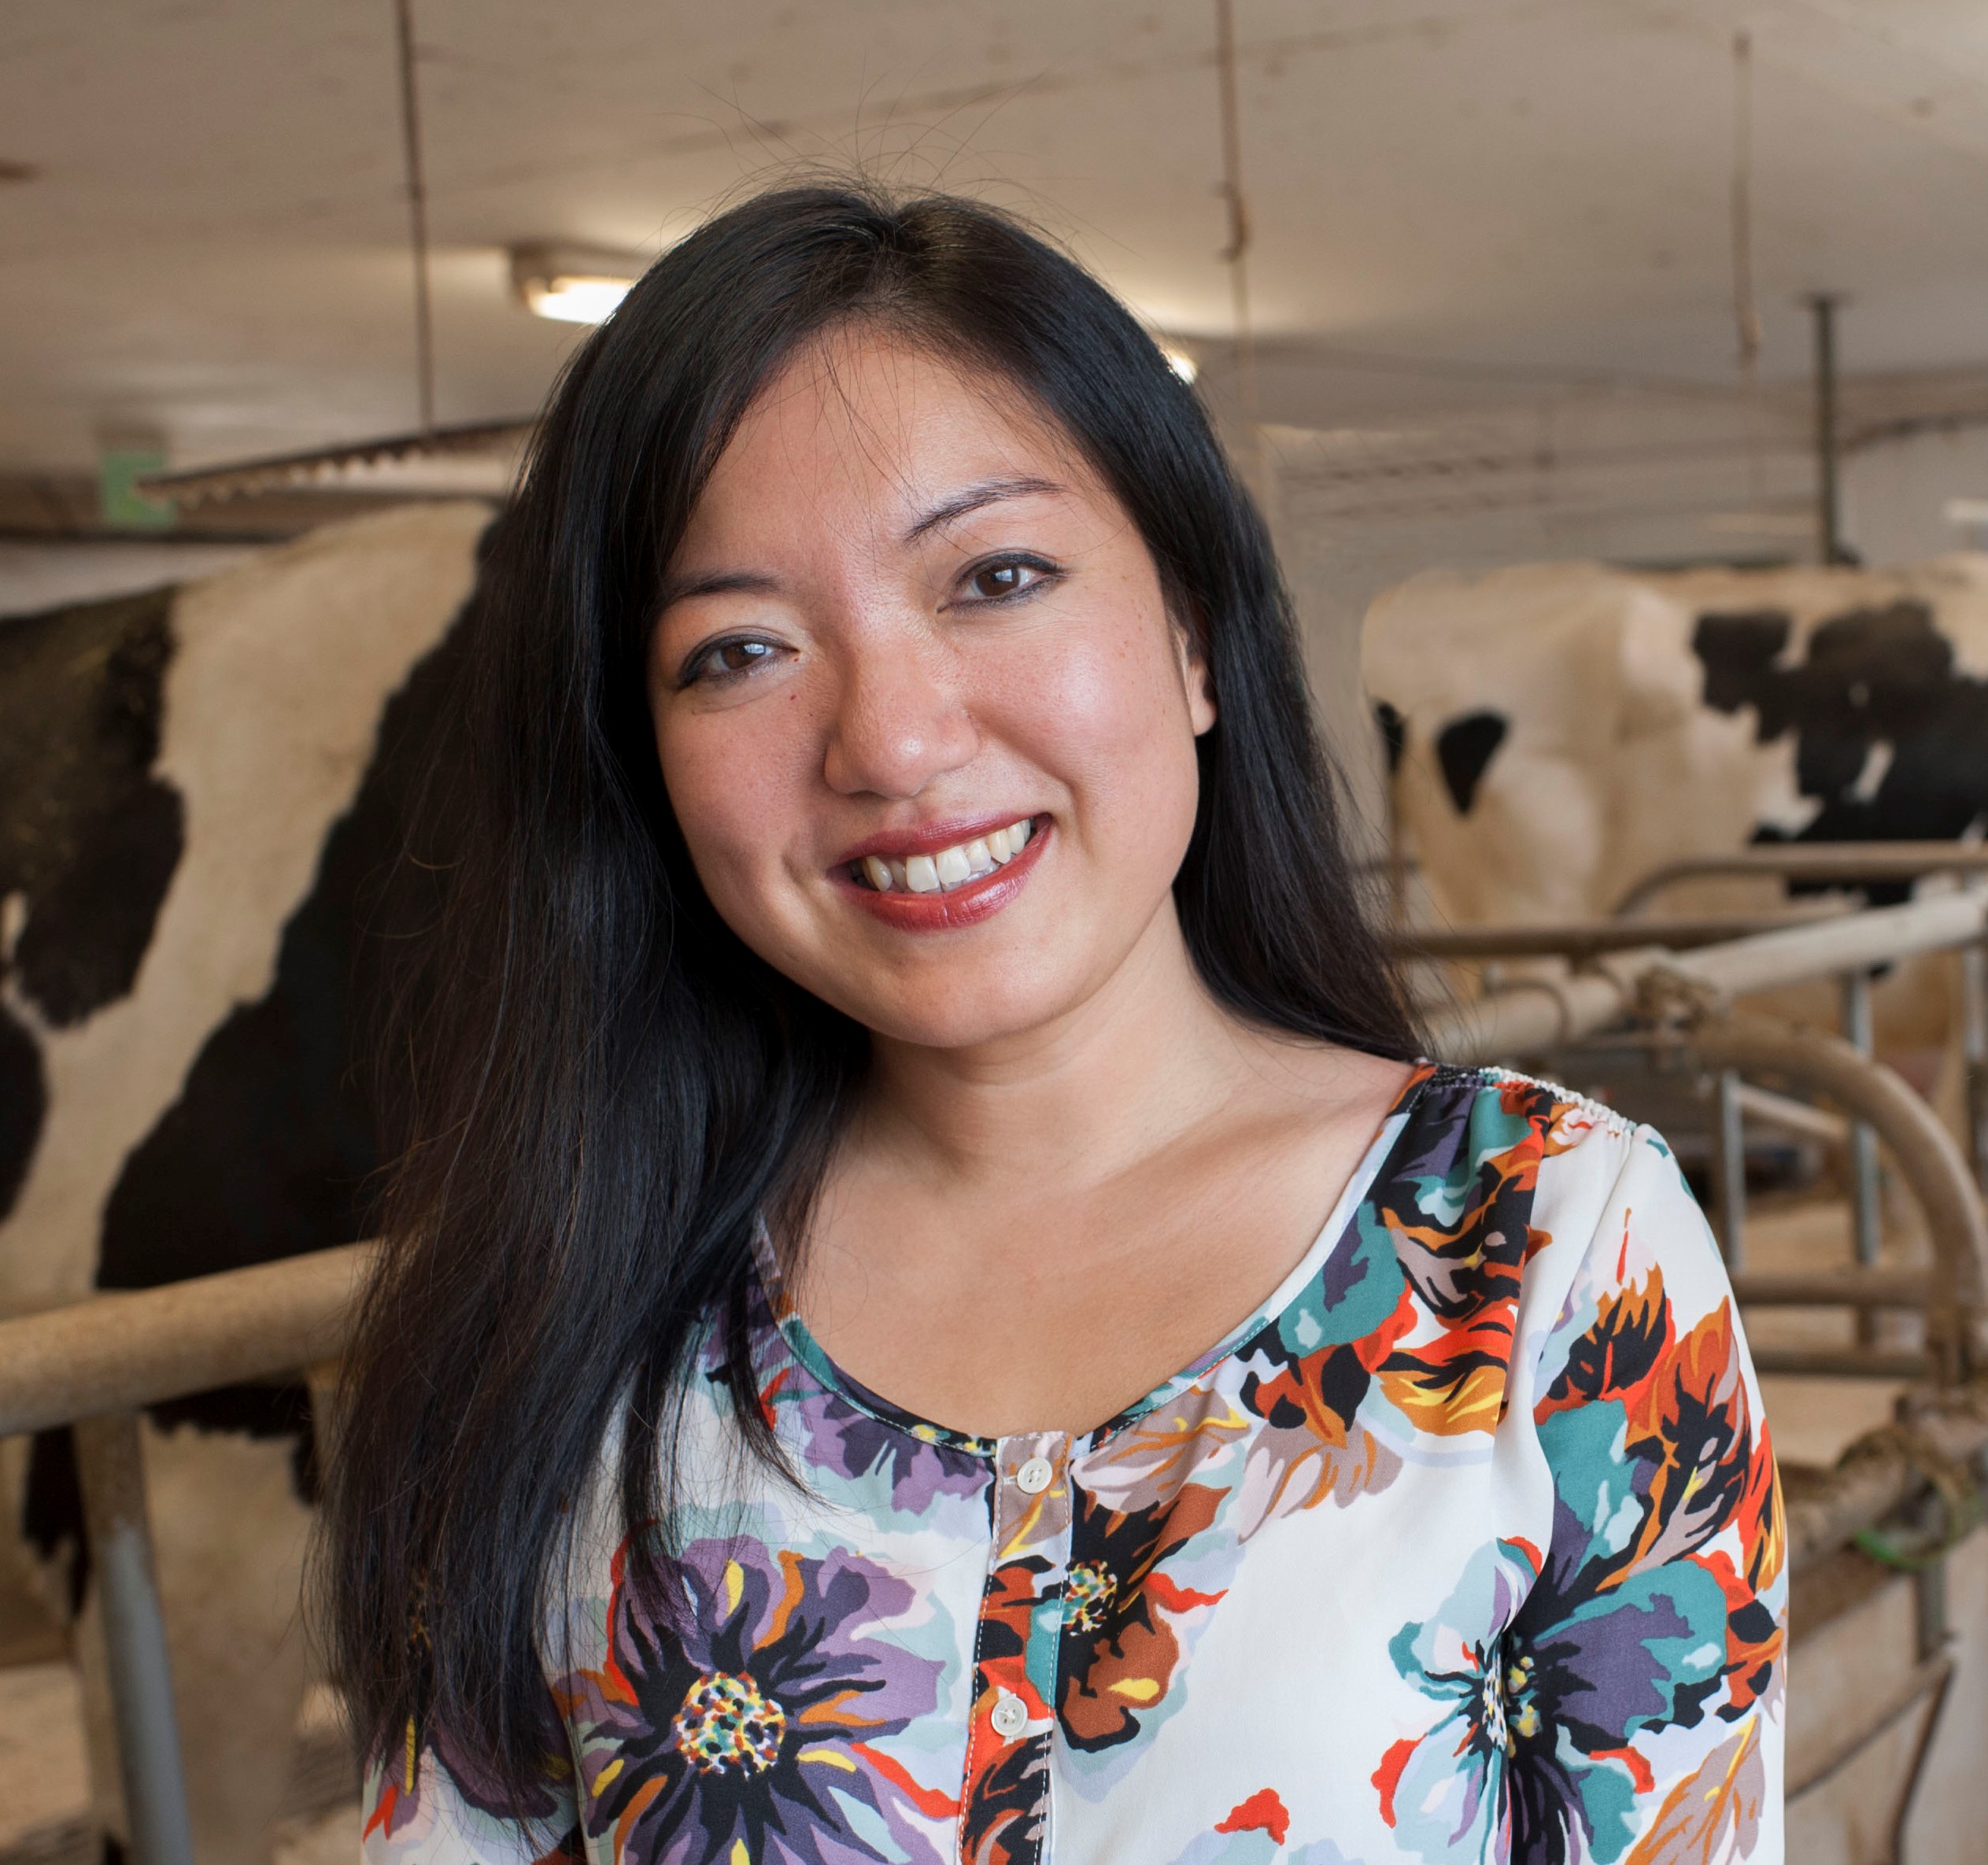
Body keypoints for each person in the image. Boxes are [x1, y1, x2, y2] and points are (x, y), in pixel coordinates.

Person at [326, 183, 1785, 1865]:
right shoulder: (570, 1323)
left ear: (1193, 640)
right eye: (737, 649)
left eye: (995, 574)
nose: (889, 741)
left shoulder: (1550, 1246)